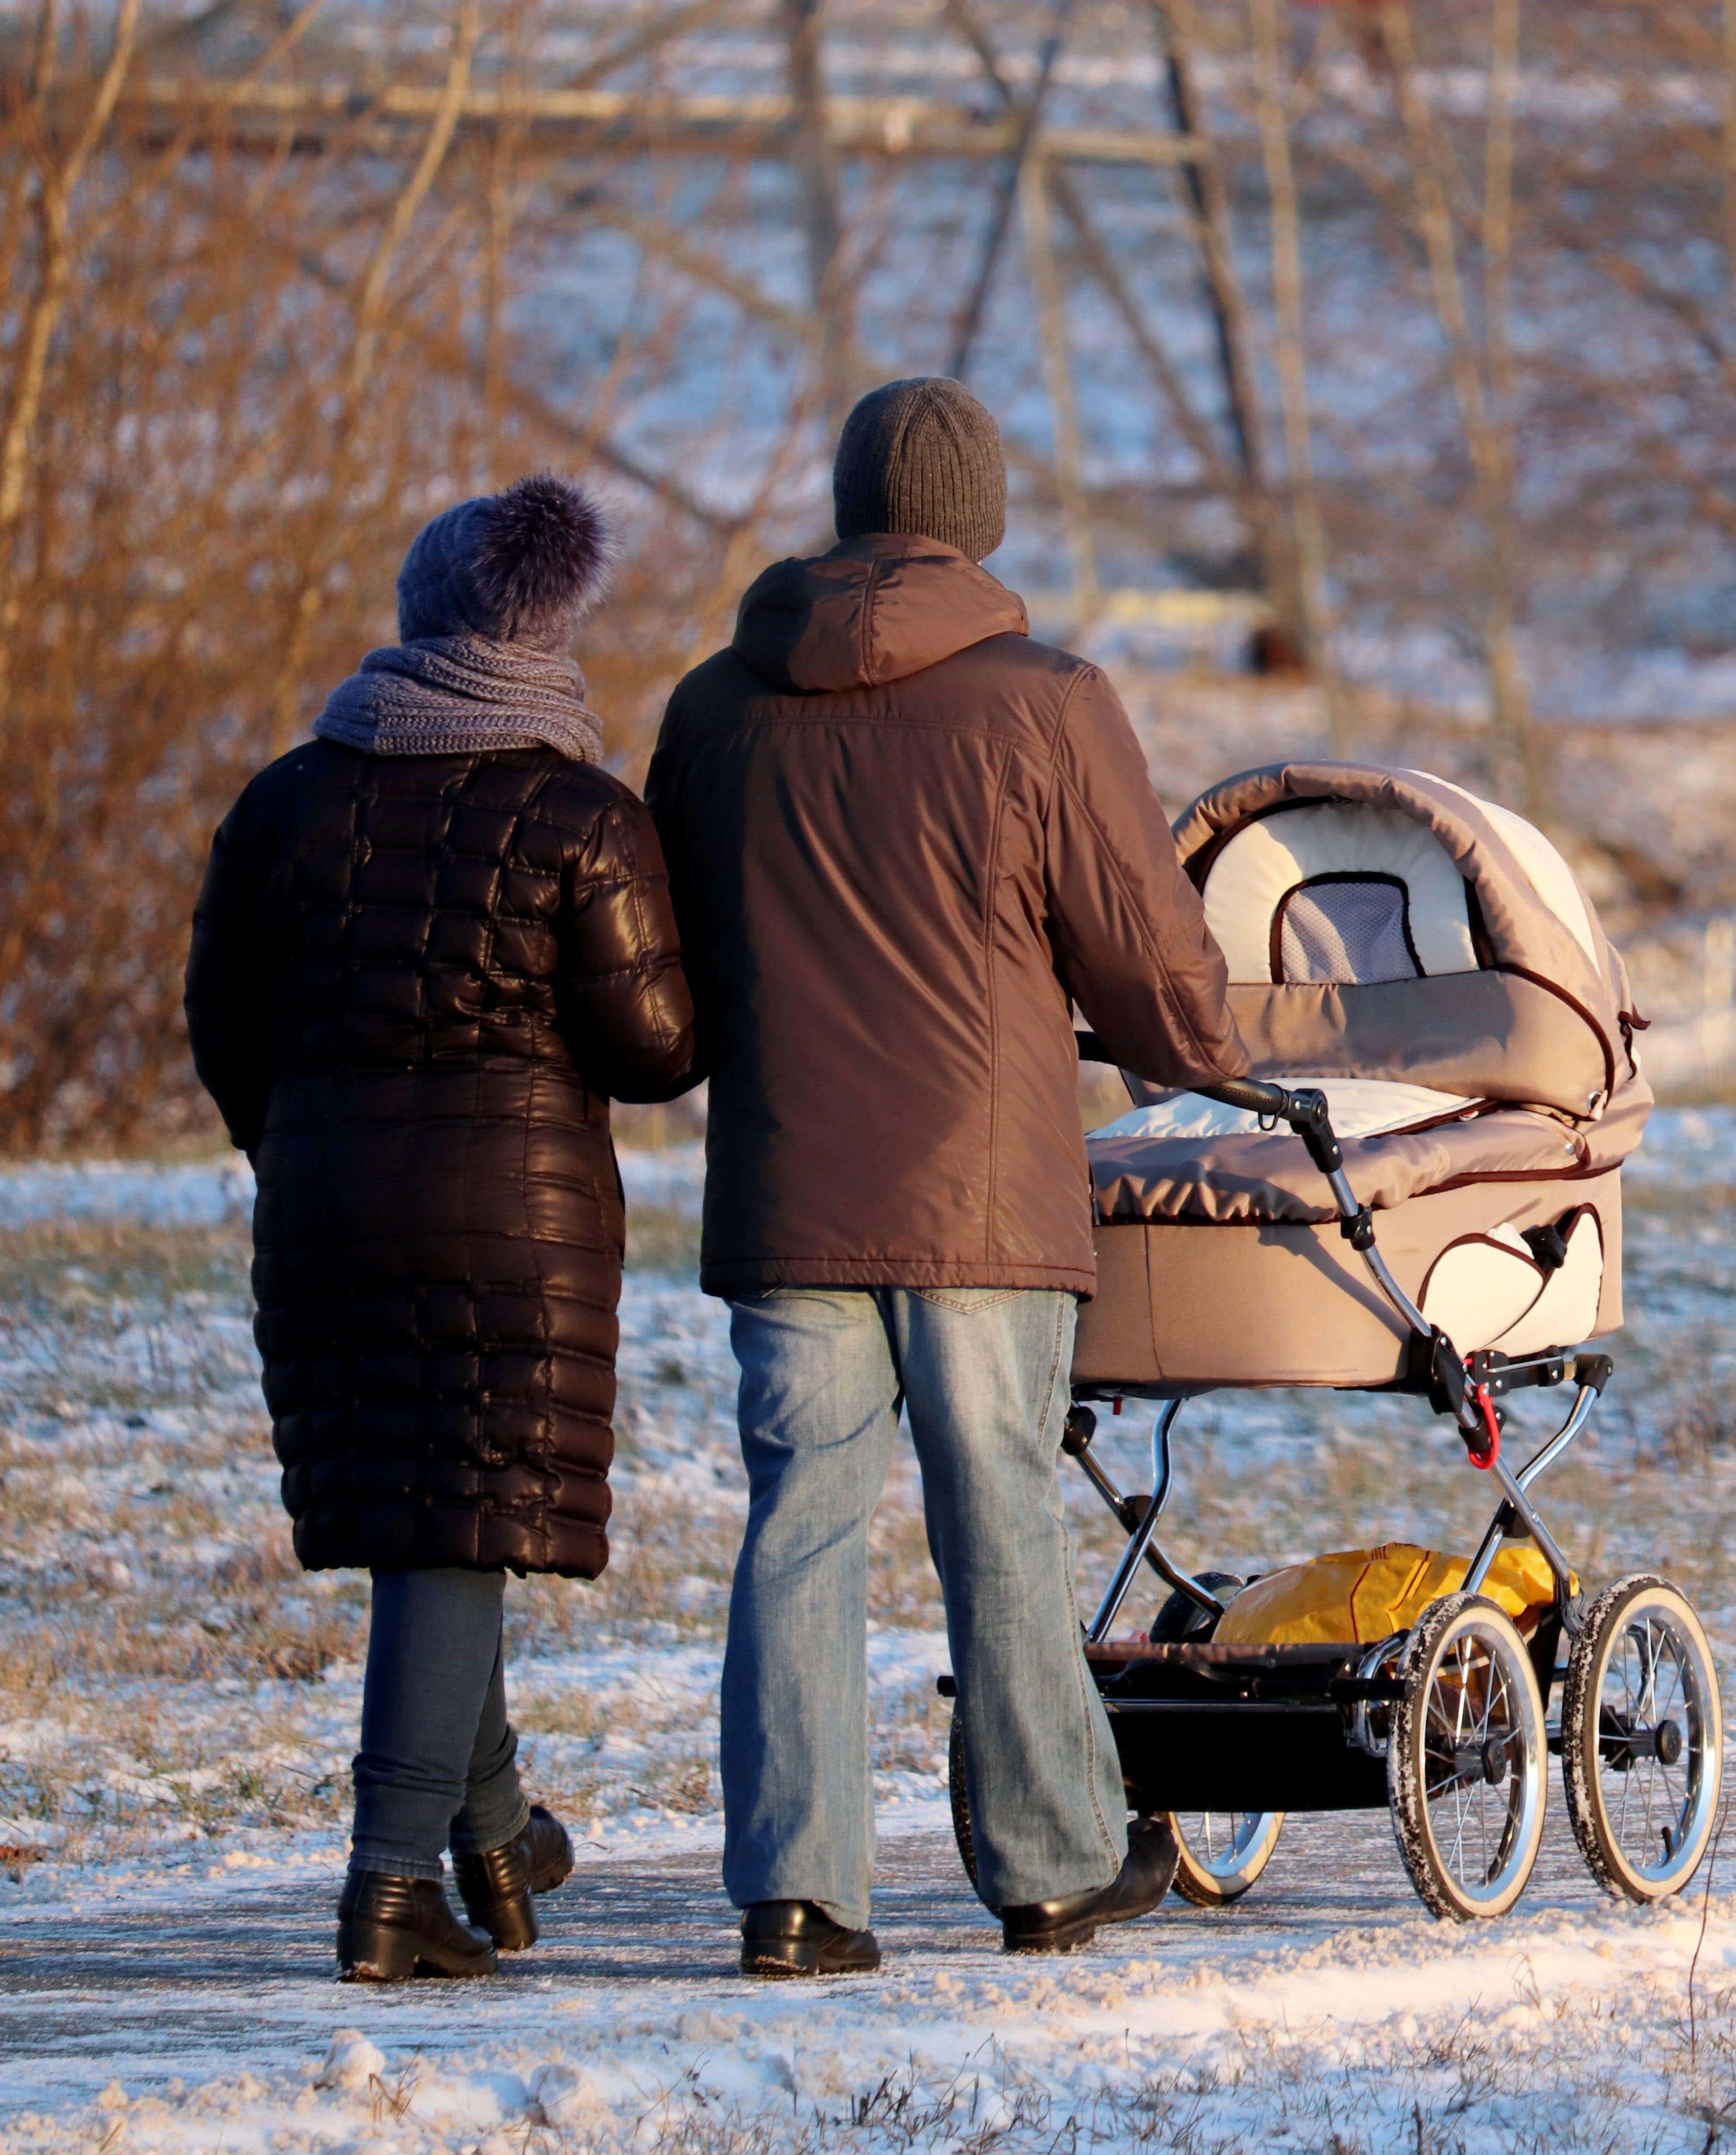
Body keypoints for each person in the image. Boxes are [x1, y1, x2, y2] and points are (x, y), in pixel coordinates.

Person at [647, 378, 1247, 1979]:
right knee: (999, 1518)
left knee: (798, 1523)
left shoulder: (712, 709)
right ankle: (1050, 1867)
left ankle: (796, 1894)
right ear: (980, 516)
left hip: (787, 1184)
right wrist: (1211, 1049)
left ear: (850, 505)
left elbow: (676, 965)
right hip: (981, 1189)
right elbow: (1148, 962)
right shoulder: (1045, 701)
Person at [184, 477, 697, 1982]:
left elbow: (224, 1018)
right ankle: (393, 1884)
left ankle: (497, 1835)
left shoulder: (290, 795)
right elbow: (659, 1047)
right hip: (509, 1220)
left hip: (326, 1204)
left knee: (434, 1519)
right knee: (454, 1528)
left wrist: (288, 1140)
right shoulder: (582, 814)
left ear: (418, 620)